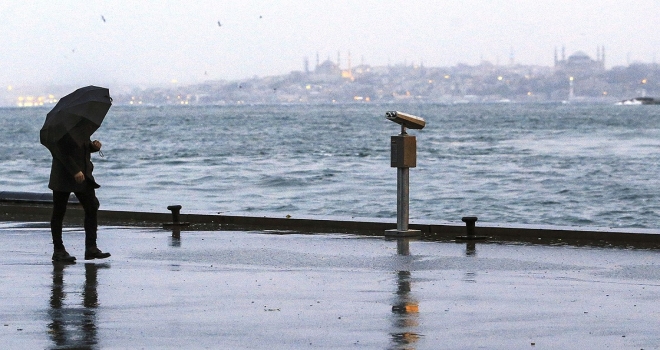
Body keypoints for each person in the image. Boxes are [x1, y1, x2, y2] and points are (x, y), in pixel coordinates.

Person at [49, 120, 111, 262]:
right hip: (63, 176)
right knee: (59, 211)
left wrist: (93, 147)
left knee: (92, 206)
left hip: (83, 176)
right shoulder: (61, 128)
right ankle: (58, 250)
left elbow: (81, 147)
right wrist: (74, 170)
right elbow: (60, 151)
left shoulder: (82, 127)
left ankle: (91, 248)